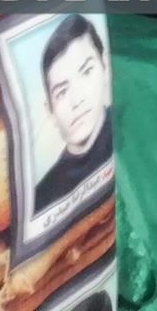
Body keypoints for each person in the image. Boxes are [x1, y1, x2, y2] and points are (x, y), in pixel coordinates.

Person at [30, 16, 113, 210]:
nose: (77, 100)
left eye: (86, 72)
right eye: (62, 92)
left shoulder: (140, 129)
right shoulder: (42, 198)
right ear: (49, 110)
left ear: (105, 68)